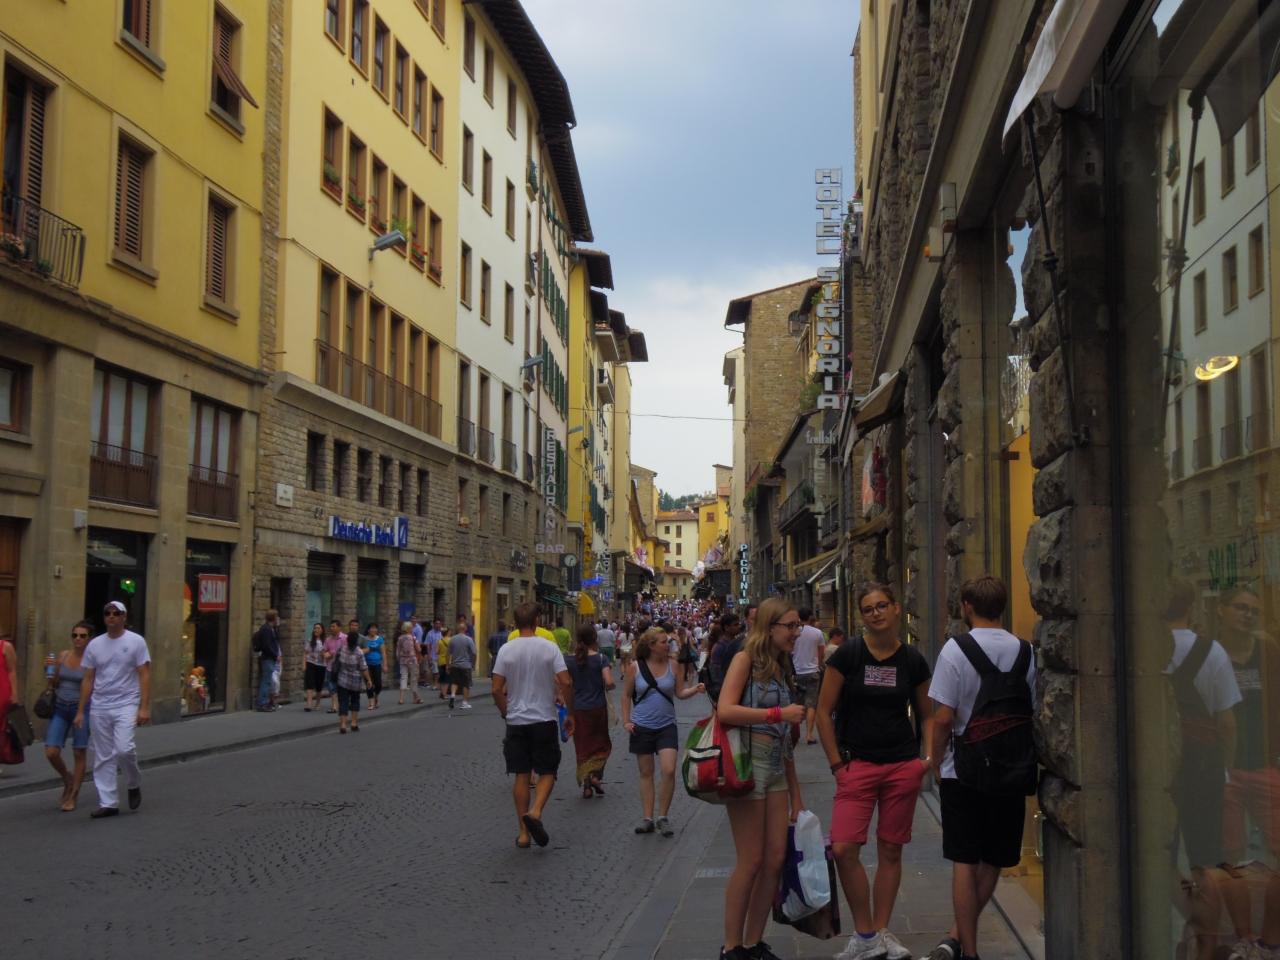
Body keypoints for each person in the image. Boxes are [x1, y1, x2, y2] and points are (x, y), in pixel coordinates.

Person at [819, 584, 933, 960]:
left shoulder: (912, 660)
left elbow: (927, 715)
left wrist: (927, 759)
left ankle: (880, 932)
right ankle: (865, 934)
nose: (876, 613)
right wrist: (837, 764)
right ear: (862, 616)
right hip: (857, 765)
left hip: (901, 766)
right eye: (868, 609)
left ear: (896, 608)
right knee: (843, 847)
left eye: (882, 605)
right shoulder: (849, 655)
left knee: (890, 849)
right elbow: (823, 712)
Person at [927, 576, 1038, 960]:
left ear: (967, 607)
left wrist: (936, 761)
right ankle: (956, 937)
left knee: (964, 858)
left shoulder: (955, 650)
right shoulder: (1026, 652)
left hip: (964, 768)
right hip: (1011, 767)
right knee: (993, 859)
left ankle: (967, 950)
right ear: (1002, 607)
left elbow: (944, 718)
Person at [714, 598, 806, 960]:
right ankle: (731, 947)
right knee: (750, 860)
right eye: (791, 626)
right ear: (770, 628)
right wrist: (778, 713)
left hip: (777, 769)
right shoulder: (745, 660)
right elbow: (725, 710)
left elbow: (785, 738)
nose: (796, 632)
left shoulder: (782, 666)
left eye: (798, 626)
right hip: (748, 767)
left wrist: (797, 793)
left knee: (775, 859)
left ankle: (753, 943)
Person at [492, 601, 574, 848]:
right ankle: (536, 811)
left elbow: (496, 688)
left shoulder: (506, 650)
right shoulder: (549, 647)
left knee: (521, 774)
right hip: (543, 718)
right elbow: (566, 682)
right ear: (537, 622)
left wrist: (506, 712)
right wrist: (570, 713)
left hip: (517, 720)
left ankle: (523, 834)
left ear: (516, 623)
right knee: (548, 771)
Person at [622, 626, 705, 838]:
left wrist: (694, 690)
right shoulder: (635, 667)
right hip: (641, 725)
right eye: (663, 642)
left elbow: (679, 693)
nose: (667, 644)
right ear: (651, 646)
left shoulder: (674, 665)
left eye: (667, 641)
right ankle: (647, 818)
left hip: (666, 725)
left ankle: (663, 817)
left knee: (668, 770)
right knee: (646, 773)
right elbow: (626, 695)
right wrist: (626, 721)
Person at [76, 600, 151, 819]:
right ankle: (108, 802)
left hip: (126, 702)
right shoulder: (95, 645)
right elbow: (88, 678)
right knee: (103, 755)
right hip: (100, 704)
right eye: (107, 613)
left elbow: (144, 674)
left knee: (124, 749)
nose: (111, 616)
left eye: (116, 613)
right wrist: (81, 710)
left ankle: (133, 782)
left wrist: (144, 707)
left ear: (124, 617)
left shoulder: (136, 642)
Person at [43, 620, 93, 811]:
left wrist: (80, 712)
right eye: (75, 635)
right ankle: (67, 778)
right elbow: (54, 683)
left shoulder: (91, 661)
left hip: (81, 709)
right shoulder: (63, 656)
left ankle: (73, 795)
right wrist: (48, 670)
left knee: (79, 751)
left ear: (89, 639)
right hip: (60, 708)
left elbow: (89, 687)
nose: (78, 639)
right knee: (51, 751)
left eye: (82, 636)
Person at [565, 624, 615, 798]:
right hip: (598, 708)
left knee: (582, 746)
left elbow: (565, 684)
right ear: (595, 639)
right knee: (601, 744)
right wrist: (609, 686)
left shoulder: (568, 660)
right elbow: (609, 682)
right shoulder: (601, 659)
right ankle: (595, 777)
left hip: (579, 709)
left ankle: (587, 785)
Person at [792, 608, 824, 744]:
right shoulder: (817, 633)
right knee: (811, 704)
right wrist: (818, 664)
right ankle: (809, 735)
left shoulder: (794, 632)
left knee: (796, 703)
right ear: (810, 617)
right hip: (812, 672)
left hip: (797, 671)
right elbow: (821, 652)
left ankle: (793, 732)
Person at [331, 631, 372, 734]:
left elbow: (336, 662)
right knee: (355, 701)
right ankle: (354, 723)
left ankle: (343, 725)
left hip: (342, 680)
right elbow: (363, 668)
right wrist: (369, 680)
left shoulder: (342, 649)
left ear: (347, 639)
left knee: (343, 702)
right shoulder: (359, 652)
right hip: (355, 682)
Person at [253, 609, 282, 712]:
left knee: (268, 681)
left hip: (270, 658)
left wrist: (277, 627)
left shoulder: (272, 629)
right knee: (266, 681)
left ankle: (266, 702)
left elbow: (276, 641)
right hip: (268, 658)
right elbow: (267, 645)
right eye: (276, 617)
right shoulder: (266, 629)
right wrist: (275, 655)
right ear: (273, 618)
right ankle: (262, 703)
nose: (278, 619)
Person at [448, 625, 477, 710]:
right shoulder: (468, 639)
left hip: (455, 664)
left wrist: (448, 665)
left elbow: (448, 653)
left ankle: (453, 695)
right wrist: (473, 664)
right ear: (465, 629)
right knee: (466, 684)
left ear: (457, 629)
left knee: (454, 682)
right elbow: (474, 653)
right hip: (465, 665)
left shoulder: (452, 639)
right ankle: (464, 703)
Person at [396, 622, 423, 706]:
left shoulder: (400, 638)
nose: (412, 629)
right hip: (412, 659)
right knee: (413, 678)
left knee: (403, 677)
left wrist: (399, 658)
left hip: (403, 660)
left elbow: (398, 650)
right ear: (408, 629)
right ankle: (415, 698)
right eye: (411, 628)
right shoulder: (413, 637)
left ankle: (401, 698)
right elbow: (419, 649)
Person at [360, 622, 385, 710]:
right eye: (372, 628)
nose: (373, 630)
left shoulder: (380, 639)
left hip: (377, 664)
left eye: (375, 628)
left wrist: (385, 664)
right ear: (368, 630)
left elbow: (383, 652)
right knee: (368, 682)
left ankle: (376, 696)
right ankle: (371, 702)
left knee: (378, 684)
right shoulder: (364, 639)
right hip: (366, 664)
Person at [322, 620, 345, 714]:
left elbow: (350, 651)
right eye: (331, 626)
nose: (331, 628)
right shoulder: (328, 639)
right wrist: (326, 654)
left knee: (341, 686)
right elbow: (323, 652)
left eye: (333, 626)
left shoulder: (345, 638)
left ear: (339, 627)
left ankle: (342, 704)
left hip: (342, 667)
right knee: (331, 687)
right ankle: (334, 706)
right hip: (330, 667)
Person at [303, 623, 327, 712]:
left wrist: (325, 655)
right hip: (311, 663)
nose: (316, 630)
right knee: (309, 683)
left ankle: (318, 702)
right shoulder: (310, 640)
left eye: (318, 628)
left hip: (321, 664)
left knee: (319, 684)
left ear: (322, 630)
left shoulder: (325, 641)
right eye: (315, 628)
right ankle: (309, 703)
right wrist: (304, 664)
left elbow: (328, 652)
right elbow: (305, 653)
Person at [423, 618, 444, 693]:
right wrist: (429, 655)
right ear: (434, 624)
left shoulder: (442, 632)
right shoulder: (430, 633)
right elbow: (428, 645)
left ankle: (439, 684)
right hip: (433, 655)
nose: (438, 625)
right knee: (435, 671)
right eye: (436, 624)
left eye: (439, 624)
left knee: (440, 671)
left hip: (442, 655)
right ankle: (435, 684)